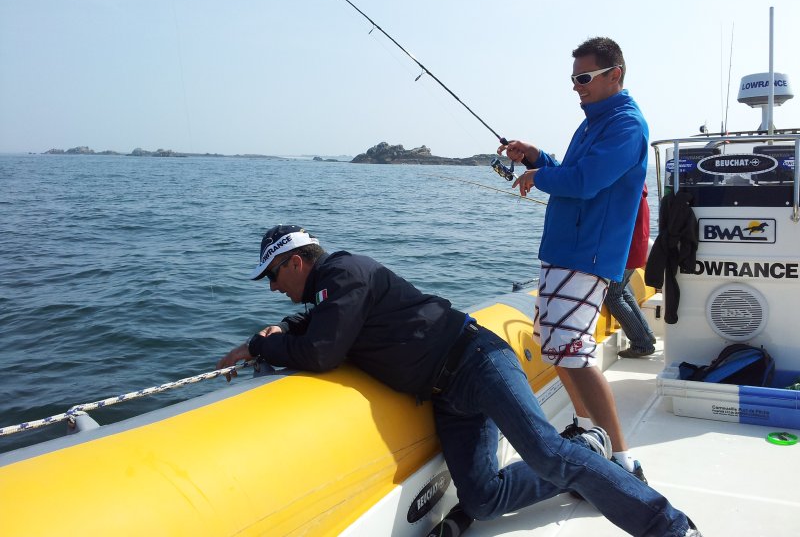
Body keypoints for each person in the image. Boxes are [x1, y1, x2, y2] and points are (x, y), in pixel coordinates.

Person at [217, 224, 702, 536]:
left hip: (476, 361)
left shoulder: (343, 272)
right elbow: (323, 325)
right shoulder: (333, 287)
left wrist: (263, 346)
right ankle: (590, 452)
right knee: (484, 500)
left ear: (297, 261)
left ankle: (671, 527)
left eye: (274, 276)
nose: (275, 288)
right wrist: (282, 332)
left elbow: (322, 351)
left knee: (549, 454)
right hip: (447, 393)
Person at [498, 37, 649, 482]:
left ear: (614, 74)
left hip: (587, 256)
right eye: (573, 78)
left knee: (574, 352)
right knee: (556, 342)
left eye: (584, 78)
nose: (576, 87)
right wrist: (538, 156)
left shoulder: (625, 125)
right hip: (566, 251)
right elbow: (573, 168)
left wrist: (539, 173)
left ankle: (623, 462)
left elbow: (585, 181)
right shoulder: (595, 122)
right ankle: (589, 433)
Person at [608, 185, 657, 358]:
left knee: (612, 295)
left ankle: (641, 343)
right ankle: (647, 335)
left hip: (625, 253)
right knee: (624, 290)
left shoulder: (624, 193)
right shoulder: (638, 192)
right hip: (637, 249)